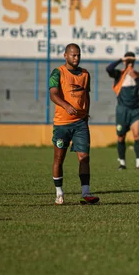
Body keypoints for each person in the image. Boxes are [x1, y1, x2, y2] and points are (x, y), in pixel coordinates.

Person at [48, 43, 99, 205]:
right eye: (73, 55)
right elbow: (53, 94)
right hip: (62, 124)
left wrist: (86, 113)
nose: (76, 58)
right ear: (65, 56)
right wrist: (66, 105)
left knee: (84, 157)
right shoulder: (58, 73)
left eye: (78, 55)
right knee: (59, 158)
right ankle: (59, 192)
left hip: (80, 123)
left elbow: (86, 95)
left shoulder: (85, 74)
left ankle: (86, 193)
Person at [106, 52, 139, 171]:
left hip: (135, 110)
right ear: (124, 61)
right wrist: (121, 59)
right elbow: (108, 69)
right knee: (121, 137)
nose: (130, 63)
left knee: (137, 135)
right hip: (122, 111)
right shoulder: (118, 74)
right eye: (127, 61)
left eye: (132, 61)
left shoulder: (138, 75)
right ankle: (122, 163)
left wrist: (136, 78)